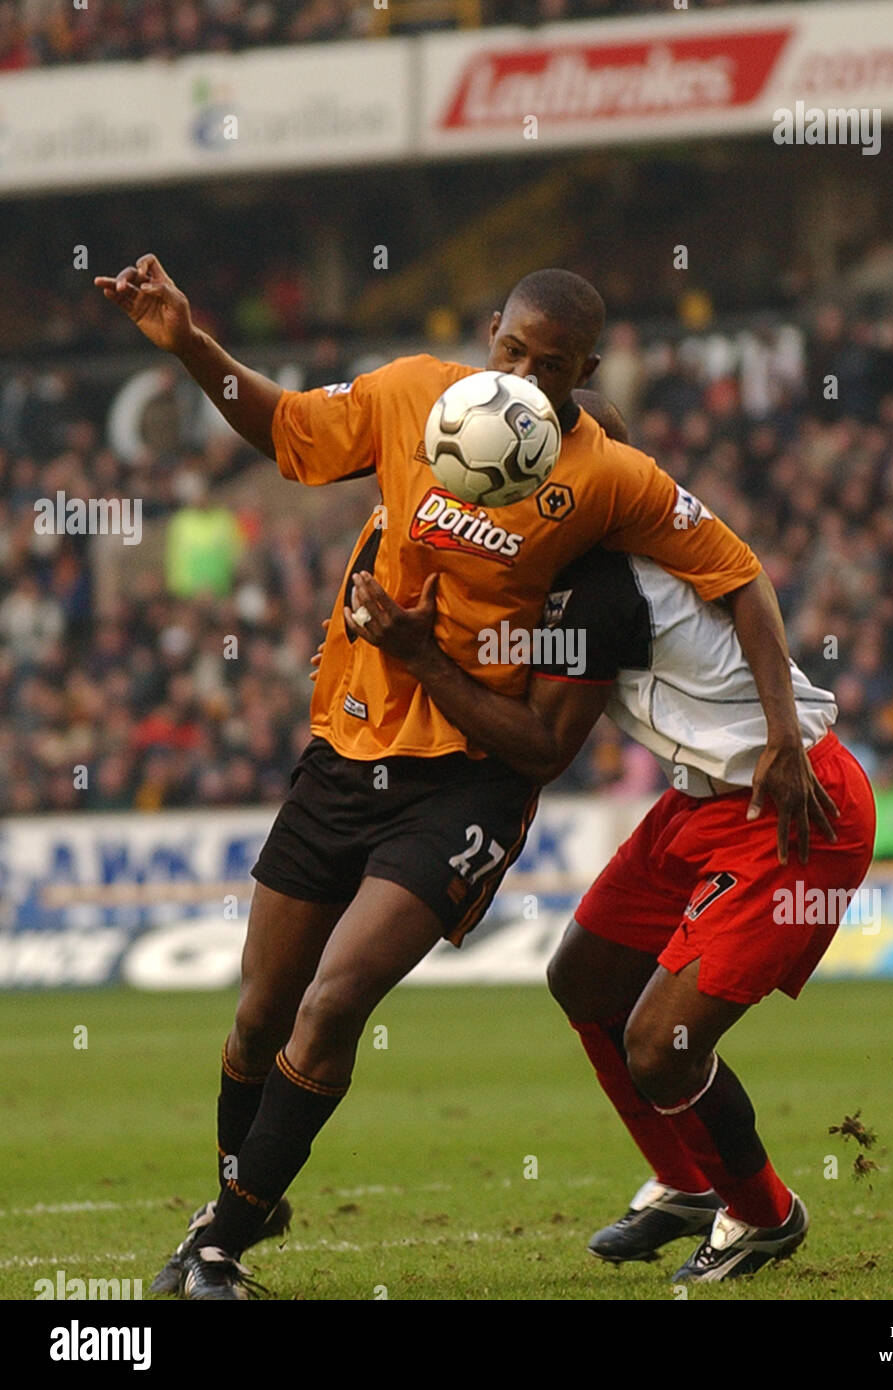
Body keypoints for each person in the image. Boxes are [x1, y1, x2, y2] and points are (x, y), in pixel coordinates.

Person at [95, 256, 826, 1298]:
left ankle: (218, 1248)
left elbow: (735, 573)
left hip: (463, 784)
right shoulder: (411, 397)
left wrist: (782, 732)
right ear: (491, 333)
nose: (525, 377)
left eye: (553, 367)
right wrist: (188, 344)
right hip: (344, 749)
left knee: (334, 1000)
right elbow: (288, 431)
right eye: (513, 351)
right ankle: (238, 1196)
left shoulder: (606, 480)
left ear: (583, 373)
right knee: (261, 1010)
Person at [341, 390, 875, 1283]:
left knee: (661, 1044)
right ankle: (684, 1184)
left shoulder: (597, 591)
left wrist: (420, 655)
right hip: (701, 801)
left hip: (792, 809)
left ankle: (764, 1214)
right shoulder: (592, 566)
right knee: (583, 976)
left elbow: (545, 744)